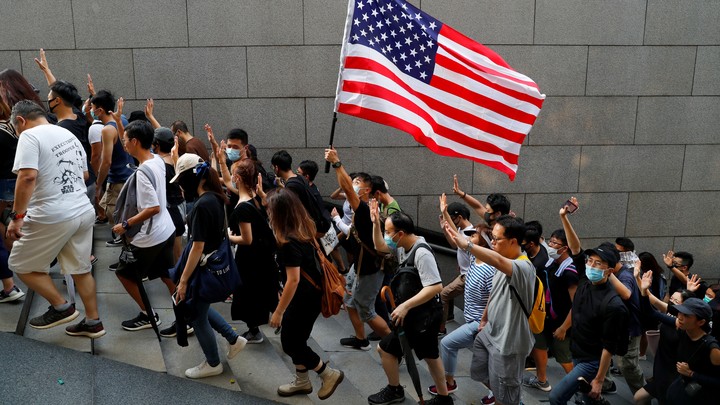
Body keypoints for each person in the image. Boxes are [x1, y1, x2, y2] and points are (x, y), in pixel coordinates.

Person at [6, 100, 104, 338]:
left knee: (19, 264)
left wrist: (17, 217)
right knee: (81, 269)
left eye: (16, 129)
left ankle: (61, 307)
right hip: (82, 209)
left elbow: (27, 177)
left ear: (20, 120)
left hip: (53, 213)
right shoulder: (67, 134)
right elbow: (84, 173)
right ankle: (93, 322)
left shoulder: (29, 137)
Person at [445, 215, 536, 405]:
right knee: (481, 371)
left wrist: (467, 245)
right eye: (491, 237)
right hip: (490, 332)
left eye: (496, 239)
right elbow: (494, 293)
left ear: (513, 241)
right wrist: (484, 319)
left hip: (509, 341)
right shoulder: (502, 260)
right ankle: (499, 392)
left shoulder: (523, 267)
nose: (492, 242)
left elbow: (497, 261)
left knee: (507, 392)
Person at [549, 198, 629, 405]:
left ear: (609, 271)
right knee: (586, 399)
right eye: (590, 261)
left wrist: (600, 380)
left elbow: (609, 347)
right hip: (578, 352)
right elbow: (576, 249)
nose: (591, 265)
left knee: (556, 397)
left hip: (591, 361)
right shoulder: (585, 281)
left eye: (598, 263)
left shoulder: (613, 304)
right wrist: (563, 217)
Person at [172, 157, 246, 379]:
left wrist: (183, 281)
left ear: (193, 178)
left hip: (202, 266)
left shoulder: (203, 204)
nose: (180, 185)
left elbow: (197, 246)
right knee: (200, 306)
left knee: (197, 315)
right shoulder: (215, 198)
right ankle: (232, 338)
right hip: (211, 263)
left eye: (182, 180)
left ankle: (213, 363)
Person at [266, 188, 344, 399]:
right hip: (310, 296)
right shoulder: (302, 231)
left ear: (280, 213)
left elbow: (293, 280)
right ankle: (302, 381)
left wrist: (279, 312)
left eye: (270, 210)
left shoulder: (288, 242)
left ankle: (327, 373)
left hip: (303, 299)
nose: (268, 214)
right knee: (297, 339)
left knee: (290, 343)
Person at [369, 206, 452, 405]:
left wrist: (405, 306)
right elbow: (380, 247)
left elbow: (436, 286)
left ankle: (398, 390)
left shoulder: (421, 253)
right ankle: (441, 397)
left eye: (389, 232)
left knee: (392, 350)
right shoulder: (403, 246)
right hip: (415, 315)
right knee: (427, 355)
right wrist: (375, 225)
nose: (387, 236)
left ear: (401, 233)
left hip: (423, 316)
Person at [110, 120, 178, 332]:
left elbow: (153, 207)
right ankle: (188, 314)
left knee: (124, 273)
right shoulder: (157, 159)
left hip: (150, 236)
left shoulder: (142, 172)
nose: (123, 144)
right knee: (167, 275)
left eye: (125, 140)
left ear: (135, 141)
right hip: (166, 229)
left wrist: (125, 224)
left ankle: (148, 315)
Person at [325, 148, 391, 350]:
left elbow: (344, 184)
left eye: (357, 184)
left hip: (370, 269)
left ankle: (395, 345)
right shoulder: (365, 208)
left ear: (367, 190)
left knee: (366, 311)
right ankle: (361, 339)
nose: (353, 186)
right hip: (359, 265)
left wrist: (337, 163)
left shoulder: (363, 209)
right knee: (349, 301)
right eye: (353, 183)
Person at [430, 222, 494, 397]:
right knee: (486, 363)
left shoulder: (490, 269)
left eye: (474, 236)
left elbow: (494, 297)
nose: (469, 238)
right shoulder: (474, 258)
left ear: (483, 243)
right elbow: (460, 243)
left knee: (447, 344)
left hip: (479, 324)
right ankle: (497, 393)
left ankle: (450, 383)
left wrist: (484, 320)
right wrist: (447, 227)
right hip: (473, 320)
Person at [228, 159, 279, 344]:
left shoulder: (243, 207)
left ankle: (256, 330)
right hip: (260, 258)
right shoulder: (254, 198)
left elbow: (246, 239)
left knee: (251, 295)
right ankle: (259, 327)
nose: (231, 177)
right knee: (263, 293)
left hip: (250, 260)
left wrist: (227, 237)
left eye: (233, 173)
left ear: (239, 178)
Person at [524, 229, 579, 393]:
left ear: (566, 248)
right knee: (539, 346)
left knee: (564, 357)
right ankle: (542, 380)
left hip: (561, 323)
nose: (551, 246)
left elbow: (576, 304)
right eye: (551, 242)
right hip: (544, 317)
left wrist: (564, 327)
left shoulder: (570, 271)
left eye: (556, 243)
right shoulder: (549, 264)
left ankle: (580, 388)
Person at [634, 279, 694, 404]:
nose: (671, 302)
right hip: (661, 366)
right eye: (671, 299)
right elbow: (649, 310)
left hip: (672, 372)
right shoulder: (671, 315)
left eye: (676, 301)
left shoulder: (684, 325)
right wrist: (643, 288)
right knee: (639, 397)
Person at [91, 90, 133, 245]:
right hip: (128, 174)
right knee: (125, 217)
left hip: (117, 179)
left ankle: (127, 257)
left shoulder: (107, 130)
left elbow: (106, 161)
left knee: (116, 217)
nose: (91, 111)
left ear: (100, 110)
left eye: (92, 108)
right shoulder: (120, 118)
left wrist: (98, 184)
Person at [438, 195, 476, 335]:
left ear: (459, 217)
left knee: (444, 294)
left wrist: (445, 213)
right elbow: (454, 244)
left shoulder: (471, 232)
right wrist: (445, 229)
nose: (452, 222)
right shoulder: (461, 230)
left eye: (452, 219)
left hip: (469, 276)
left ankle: (441, 328)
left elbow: (457, 239)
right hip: (465, 274)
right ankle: (448, 318)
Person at [151, 127, 186, 263]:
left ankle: (181, 282)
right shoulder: (173, 160)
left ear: (157, 145)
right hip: (178, 209)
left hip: (172, 212)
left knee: (176, 256)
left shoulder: (161, 165)